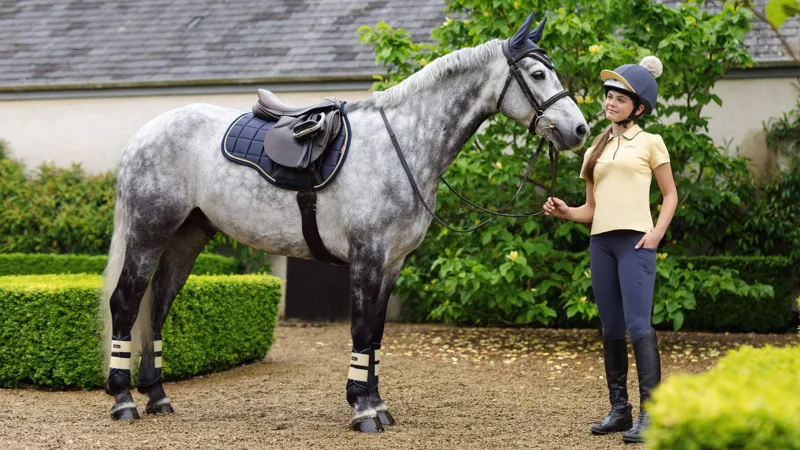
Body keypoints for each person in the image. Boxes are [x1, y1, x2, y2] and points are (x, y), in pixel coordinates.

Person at [543, 55, 678, 444]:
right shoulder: (595, 150)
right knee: (611, 329)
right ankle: (620, 410)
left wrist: (656, 234)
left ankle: (652, 413)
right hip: (600, 244)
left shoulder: (651, 142)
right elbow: (591, 209)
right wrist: (567, 212)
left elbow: (670, 196)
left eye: (619, 98)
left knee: (638, 327)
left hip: (635, 242)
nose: (610, 103)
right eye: (608, 97)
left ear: (637, 107)